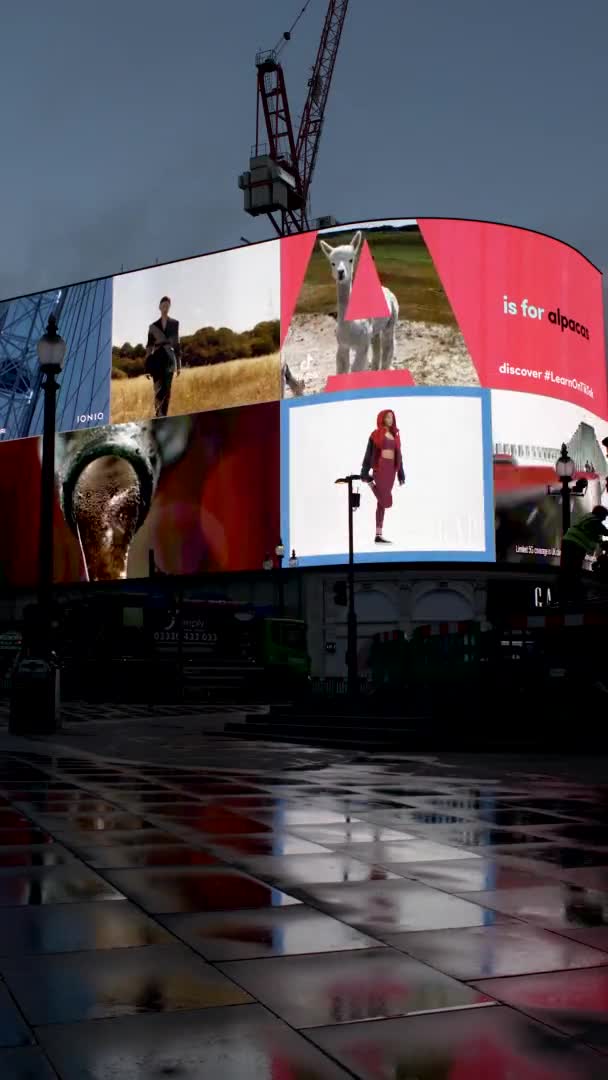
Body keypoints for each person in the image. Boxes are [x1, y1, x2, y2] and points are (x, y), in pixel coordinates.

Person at [361, 409, 405, 544]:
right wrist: (364, 471)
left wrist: (401, 473)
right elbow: (369, 453)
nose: (390, 419)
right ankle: (369, 482)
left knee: (381, 503)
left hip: (391, 471)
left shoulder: (395, 435)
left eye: (392, 417)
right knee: (386, 501)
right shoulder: (375, 434)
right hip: (380, 468)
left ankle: (378, 534)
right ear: (382, 419)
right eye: (387, 417)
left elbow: (399, 456)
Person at [560, 505, 608, 603]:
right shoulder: (592, 519)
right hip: (575, 544)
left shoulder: (589, 521)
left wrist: (603, 543)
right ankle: (570, 592)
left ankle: (565, 590)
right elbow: (600, 528)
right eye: (605, 516)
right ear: (600, 514)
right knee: (573, 568)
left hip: (569, 541)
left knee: (567, 568)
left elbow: (597, 538)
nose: (605, 518)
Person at [145, 296, 181, 418]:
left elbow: (176, 344)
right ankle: (158, 416)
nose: (165, 308)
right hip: (156, 360)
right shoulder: (152, 327)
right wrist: (147, 367)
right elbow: (149, 347)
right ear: (159, 307)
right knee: (157, 391)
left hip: (170, 360)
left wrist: (179, 365)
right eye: (163, 305)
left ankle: (164, 415)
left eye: (168, 305)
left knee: (167, 391)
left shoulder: (175, 323)